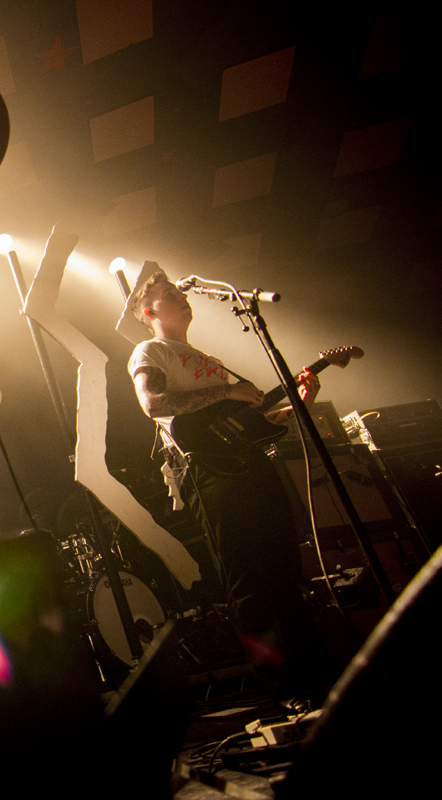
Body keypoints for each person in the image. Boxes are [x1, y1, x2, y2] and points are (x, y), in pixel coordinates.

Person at [120, 265, 336, 703]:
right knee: (248, 582)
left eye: (179, 291)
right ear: (148, 312)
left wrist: (298, 405)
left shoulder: (210, 362)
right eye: (168, 294)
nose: (181, 296)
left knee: (285, 573)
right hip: (208, 471)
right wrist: (226, 392)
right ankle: (284, 688)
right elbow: (153, 404)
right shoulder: (150, 350)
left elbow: (245, 426)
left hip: (249, 463)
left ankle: (321, 680)